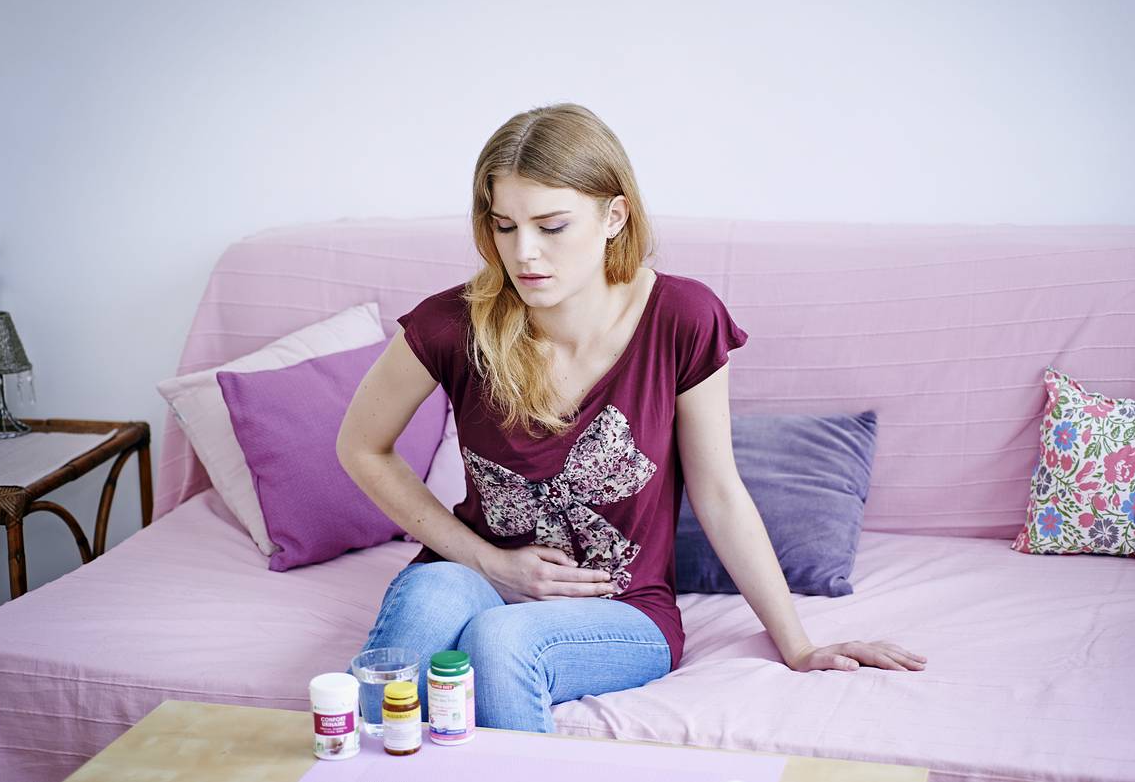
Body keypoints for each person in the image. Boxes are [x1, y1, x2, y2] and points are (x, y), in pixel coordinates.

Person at [335, 102, 927, 733]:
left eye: (552, 226)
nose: (523, 253)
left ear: (613, 215)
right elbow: (361, 446)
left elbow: (719, 492)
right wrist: (490, 562)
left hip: (621, 606)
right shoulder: (452, 325)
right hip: (480, 570)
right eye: (504, 226)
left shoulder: (681, 318)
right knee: (425, 610)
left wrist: (799, 644)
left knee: (499, 642)